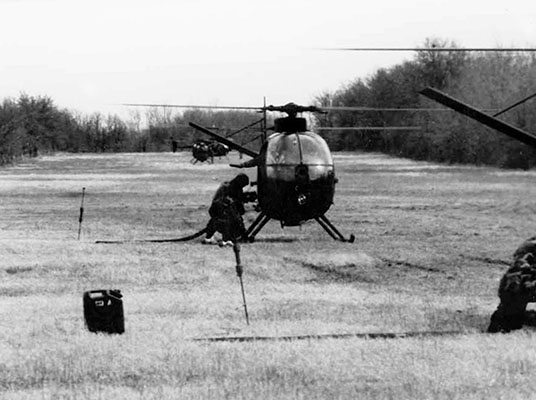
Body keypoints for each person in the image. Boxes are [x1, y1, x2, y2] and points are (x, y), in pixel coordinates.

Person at [488, 236, 536, 333]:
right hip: (524, 285)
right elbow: (514, 278)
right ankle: (511, 316)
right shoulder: (531, 247)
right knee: (515, 289)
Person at [202, 173, 250, 246]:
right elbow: (223, 202)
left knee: (228, 220)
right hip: (220, 210)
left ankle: (216, 238)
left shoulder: (233, 187)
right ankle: (227, 239)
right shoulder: (228, 188)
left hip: (221, 210)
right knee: (228, 221)